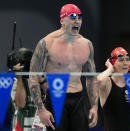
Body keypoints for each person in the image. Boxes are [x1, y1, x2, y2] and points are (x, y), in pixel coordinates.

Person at [29, 3, 98, 131]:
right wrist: (41, 109)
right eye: (72, 17)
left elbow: (91, 78)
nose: (77, 21)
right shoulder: (47, 43)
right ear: (62, 20)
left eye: (80, 17)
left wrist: (94, 106)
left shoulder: (86, 44)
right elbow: (33, 78)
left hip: (78, 98)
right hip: (56, 99)